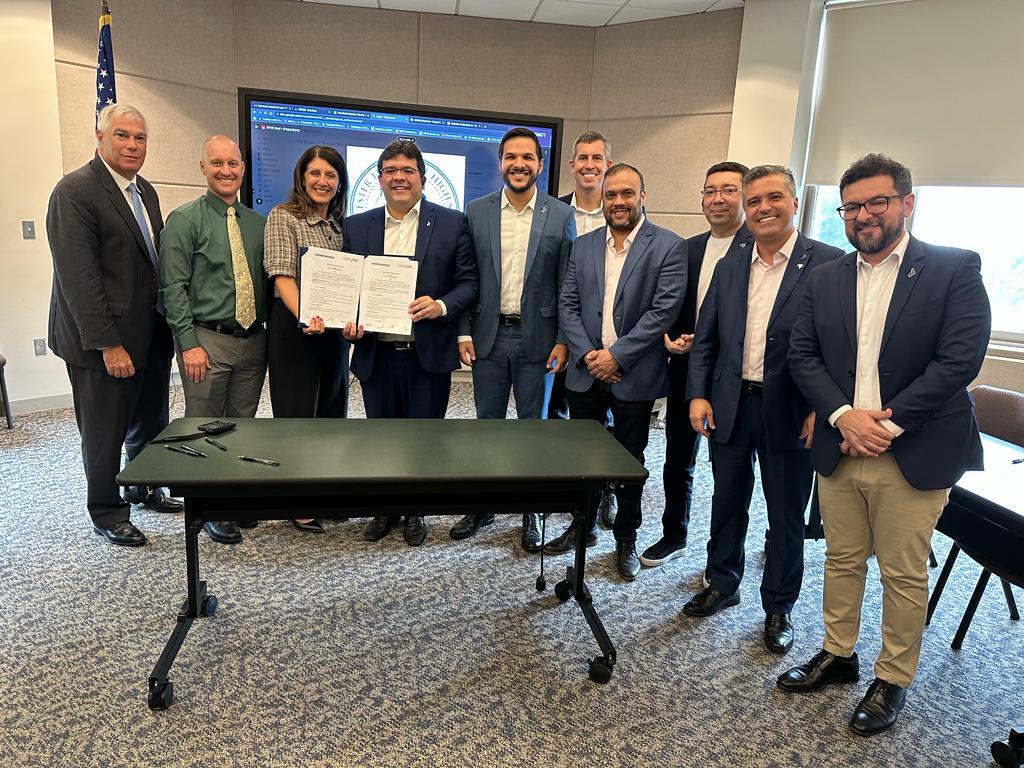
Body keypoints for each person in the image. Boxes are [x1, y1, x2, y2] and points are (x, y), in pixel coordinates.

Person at [780, 154, 991, 736]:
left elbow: (958, 361)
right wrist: (844, 417)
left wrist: (886, 426)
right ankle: (838, 653)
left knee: (902, 572)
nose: (864, 215)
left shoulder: (953, 268)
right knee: (842, 557)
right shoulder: (825, 276)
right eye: (851, 206)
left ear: (907, 203)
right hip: (842, 442)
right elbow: (803, 355)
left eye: (878, 201)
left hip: (913, 448)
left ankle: (892, 677)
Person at [684, 165, 843, 655]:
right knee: (727, 500)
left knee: (786, 513)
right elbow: (706, 337)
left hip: (793, 411)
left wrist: (824, 407)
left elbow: (841, 346)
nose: (763, 208)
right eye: (753, 201)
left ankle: (778, 605)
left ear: (794, 203)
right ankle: (722, 582)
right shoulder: (731, 262)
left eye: (774, 197)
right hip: (730, 405)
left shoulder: (829, 263)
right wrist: (697, 393)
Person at [46, 103, 180, 547]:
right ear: (100, 138)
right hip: (103, 342)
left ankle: (143, 485)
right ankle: (106, 510)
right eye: (122, 135)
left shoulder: (145, 191)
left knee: (150, 419)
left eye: (140, 138)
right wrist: (108, 344)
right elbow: (79, 279)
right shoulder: (75, 191)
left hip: (149, 333)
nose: (132, 145)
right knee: (105, 431)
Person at [549, 163, 686, 579]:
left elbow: (664, 311)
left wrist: (617, 356)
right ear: (603, 200)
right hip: (586, 370)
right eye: (611, 195)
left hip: (635, 373)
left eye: (627, 193)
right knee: (583, 458)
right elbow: (568, 304)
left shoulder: (669, 246)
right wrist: (591, 355)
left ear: (643, 196)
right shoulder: (583, 245)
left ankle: (626, 536)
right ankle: (584, 526)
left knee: (629, 461)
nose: (619, 202)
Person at [343, 140, 478, 546]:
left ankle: (416, 509)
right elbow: (349, 290)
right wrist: (348, 323)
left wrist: (440, 306)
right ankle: (385, 507)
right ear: (379, 178)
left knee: (423, 437)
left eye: (407, 170)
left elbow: (469, 284)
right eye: (390, 170)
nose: (399, 177)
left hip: (427, 353)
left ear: (423, 177)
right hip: (377, 353)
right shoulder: (357, 225)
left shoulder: (452, 222)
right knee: (381, 437)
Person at [449, 127, 576, 551]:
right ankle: (483, 504)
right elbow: (465, 277)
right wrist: (463, 330)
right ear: (500, 163)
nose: (519, 164)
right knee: (487, 425)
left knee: (532, 429)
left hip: (539, 339)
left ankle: (530, 510)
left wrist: (563, 339)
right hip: (487, 335)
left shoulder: (561, 215)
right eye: (511, 157)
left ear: (540, 164)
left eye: (527, 157)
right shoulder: (476, 211)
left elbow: (568, 285)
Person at [641, 161, 752, 569]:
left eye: (728, 190)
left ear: (745, 197)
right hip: (687, 369)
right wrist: (672, 337)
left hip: (738, 379)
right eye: (710, 191)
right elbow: (671, 304)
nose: (717, 199)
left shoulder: (758, 247)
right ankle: (674, 534)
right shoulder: (686, 249)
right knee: (677, 459)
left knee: (731, 474)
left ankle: (724, 559)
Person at [159, 135, 267, 545]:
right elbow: (172, 288)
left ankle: (234, 499)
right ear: (203, 168)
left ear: (243, 169)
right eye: (217, 163)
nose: (226, 171)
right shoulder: (184, 220)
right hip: (206, 340)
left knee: (242, 426)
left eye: (233, 163)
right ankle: (207, 507)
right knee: (204, 425)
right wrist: (188, 343)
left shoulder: (256, 224)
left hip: (252, 341)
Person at [264, 145, 350, 533]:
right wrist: (305, 318)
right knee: (298, 418)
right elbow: (283, 277)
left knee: (331, 416)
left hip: (332, 334)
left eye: (330, 175)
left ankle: (325, 494)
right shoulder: (283, 217)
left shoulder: (340, 225)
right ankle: (297, 502)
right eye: (315, 173)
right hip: (296, 330)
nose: (322, 181)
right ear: (302, 177)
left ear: (340, 182)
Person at [551, 131, 617, 528]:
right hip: (561, 335)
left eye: (597, 158)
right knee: (560, 416)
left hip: (609, 340)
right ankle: (567, 485)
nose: (589, 165)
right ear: (572, 165)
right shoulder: (553, 211)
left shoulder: (621, 211)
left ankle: (606, 490)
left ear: (607, 164)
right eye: (582, 158)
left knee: (608, 423)